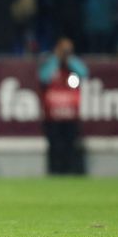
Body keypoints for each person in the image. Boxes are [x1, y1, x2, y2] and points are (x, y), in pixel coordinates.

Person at [38, 37, 88, 174]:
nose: (66, 52)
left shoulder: (73, 65)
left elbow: (84, 73)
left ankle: (70, 172)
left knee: (71, 146)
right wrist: (56, 58)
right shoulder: (51, 64)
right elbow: (43, 77)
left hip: (70, 114)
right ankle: (55, 172)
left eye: (68, 49)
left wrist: (70, 59)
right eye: (64, 49)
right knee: (55, 147)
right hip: (53, 115)